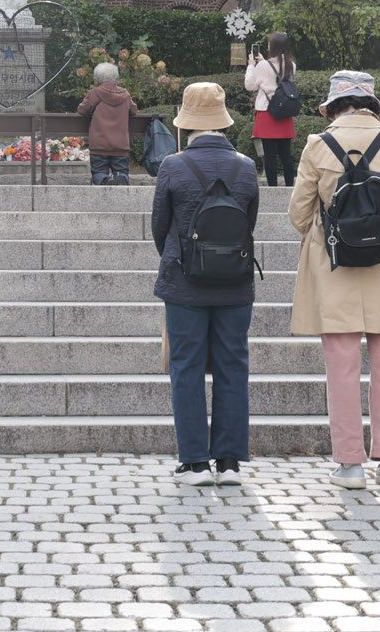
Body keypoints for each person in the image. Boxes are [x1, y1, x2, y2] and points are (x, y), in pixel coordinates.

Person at [288, 71, 380, 490]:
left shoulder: (317, 145)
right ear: (370, 103)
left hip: (335, 264)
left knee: (341, 369)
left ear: (333, 106)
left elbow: (298, 214)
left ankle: (350, 465)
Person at [151, 81, 259, 486]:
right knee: (234, 365)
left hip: (184, 284)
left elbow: (159, 227)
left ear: (188, 122)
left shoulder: (174, 166)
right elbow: (247, 223)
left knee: (186, 366)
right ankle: (229, 461)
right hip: (235, 283)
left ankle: (194, 462)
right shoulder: (246, 167)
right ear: (223, 120)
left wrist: (181, 257)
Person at [245, 32, 299, 186]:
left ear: (272, 46)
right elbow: (278, 79)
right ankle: (289, 185)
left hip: (267, 111)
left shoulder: (262, 66)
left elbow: (250, 85)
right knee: (285, 153)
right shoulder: (291, 65)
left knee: (269, 154)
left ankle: (272, 186)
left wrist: (251, 66)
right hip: (284, 111)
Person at [77, 60, 138, 186]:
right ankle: (120, 178)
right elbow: (134, 111)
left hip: (99, 144)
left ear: (97, 79)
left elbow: (82, 110)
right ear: (116, 78)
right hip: (120, 145)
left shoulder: (94, 93)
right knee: (122, 171)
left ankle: (105, 180)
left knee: (98, 171)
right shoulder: (125, 95)